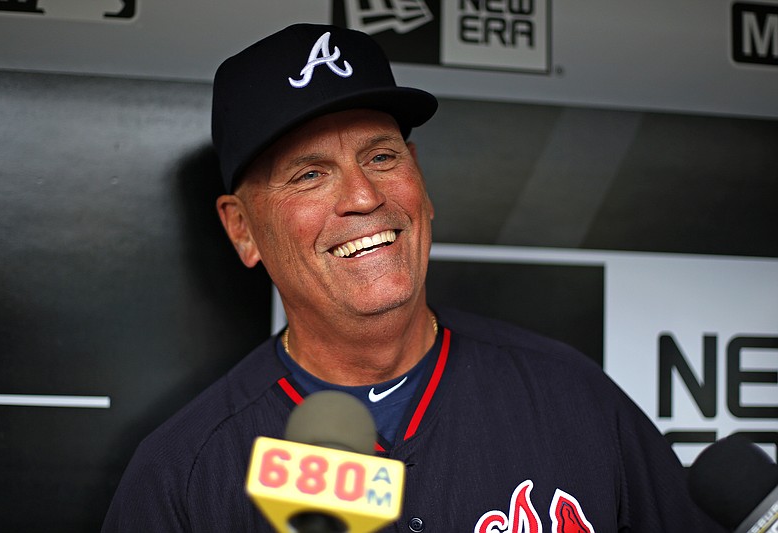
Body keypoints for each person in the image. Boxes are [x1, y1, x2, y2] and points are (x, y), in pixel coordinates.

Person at [102, 23, 724, 532]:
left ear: (418, 177)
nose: (364, 197)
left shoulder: (576, 400)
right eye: (310, 174)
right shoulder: (184, 475)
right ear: (242, 229)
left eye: (381, 156)